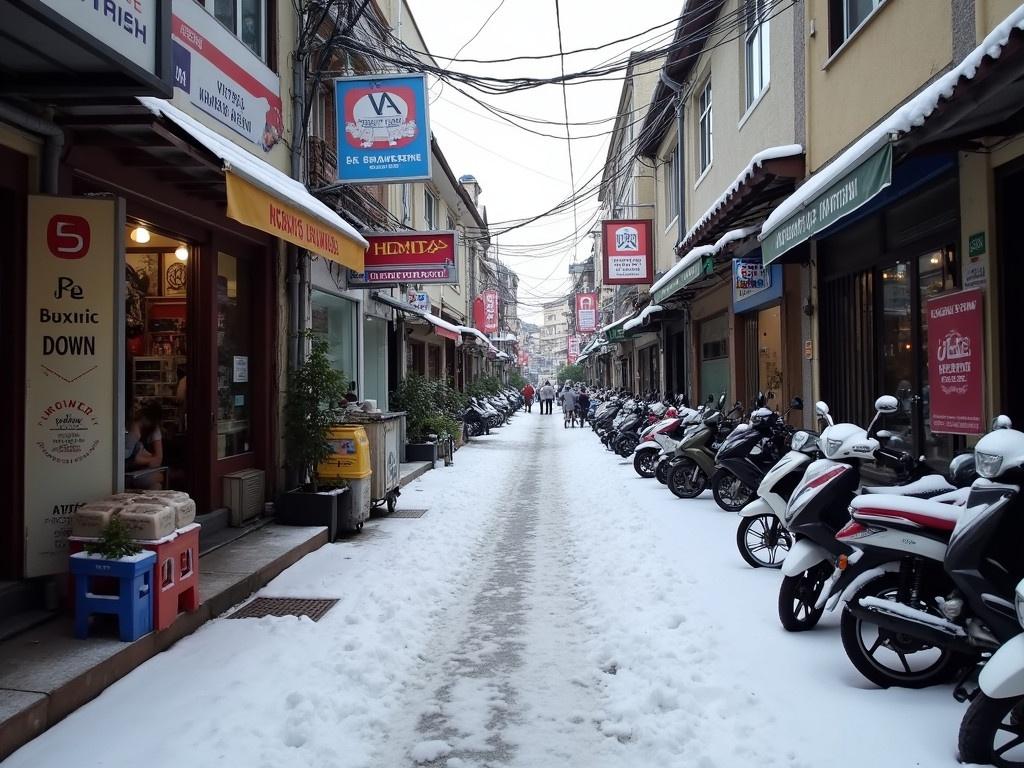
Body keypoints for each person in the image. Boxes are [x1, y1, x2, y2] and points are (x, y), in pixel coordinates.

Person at [125, 401, 165, 489]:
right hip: (128, 471)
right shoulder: (133, 431)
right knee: (157, 480)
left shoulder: (153, 429)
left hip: (141, 470)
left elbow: (157, 460)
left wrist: (147, 459)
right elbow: (129, 458)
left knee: (157, 483)